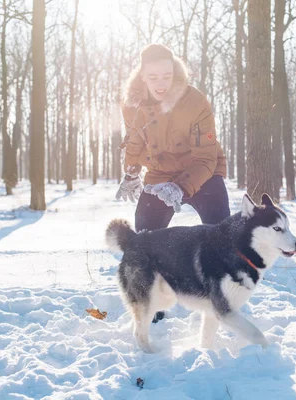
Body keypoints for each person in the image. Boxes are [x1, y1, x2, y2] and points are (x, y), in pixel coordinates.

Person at [115, 44, 230, 322]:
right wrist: (131, 172)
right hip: (159, 174)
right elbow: (135, 139)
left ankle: (223, 297)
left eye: (166, 76)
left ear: (174, 71)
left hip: (202, 172)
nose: (161, 84)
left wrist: (180, 187)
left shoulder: (195, 101)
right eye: (153, 77)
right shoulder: (132, 103)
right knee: (142, 240)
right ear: (142, 75)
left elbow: (206, 156)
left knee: (223, 236)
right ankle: (151, 304)